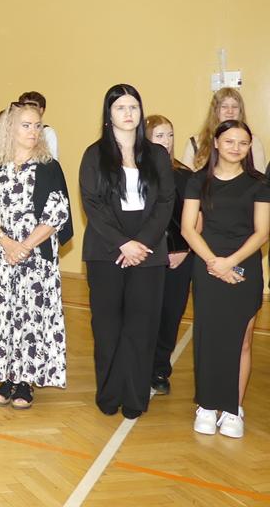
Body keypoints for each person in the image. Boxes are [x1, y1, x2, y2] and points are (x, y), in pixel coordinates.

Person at [79, 84, 174, 419]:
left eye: (133, 106)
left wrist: (142, 243)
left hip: (149, 249)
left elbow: (166, 202)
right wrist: (123, 242)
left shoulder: (157, 155)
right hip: (107, 249)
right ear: (109, 114)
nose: (128, 113)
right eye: (120, 107)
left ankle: (135, 397)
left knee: (141, 327)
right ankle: (109, 394)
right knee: (107, 327)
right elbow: (92, 203)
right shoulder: (94, 154)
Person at [0, 102, 73, 408]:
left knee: (30, 318)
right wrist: (5, 241)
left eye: (37, 125)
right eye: (26, 125)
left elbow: (57, 214)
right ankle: (6, 376)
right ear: (9, 129)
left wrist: (24, 246)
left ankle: (26, 381)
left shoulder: (48, 167)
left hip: (35, 258)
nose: (33, 131)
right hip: (0, 255)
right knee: (2, 314)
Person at [181, 120, 268, 438]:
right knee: (207, 337)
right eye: (229, 141)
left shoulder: (259, 183)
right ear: (216, 143)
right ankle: (206, 405)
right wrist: (214, 263)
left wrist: (230, 262)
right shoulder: (197, 181)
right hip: (208, 266)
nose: (236, 147)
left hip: (245, 267)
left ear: (249, 147)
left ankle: (233, 408)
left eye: (243, 143)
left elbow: (262, 232)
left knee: (241, 341)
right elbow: (188, 228)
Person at [144, 114, 194, 396]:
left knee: (170, 315)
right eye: (159, 135)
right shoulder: (136, 174)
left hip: (179, 258)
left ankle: (160, 369)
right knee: (144, 314)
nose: (166, 141)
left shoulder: (184, 175)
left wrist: (183, 250)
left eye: (170, 135)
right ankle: (139, 365)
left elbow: (195, 218)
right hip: (145, 257)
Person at [182, 88, 265, 172]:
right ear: (215, 111)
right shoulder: (196, 142)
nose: (230, 111)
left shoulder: (254, 142)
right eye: (224, 107)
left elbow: (259, 176)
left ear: (240, 111)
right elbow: (187, 177)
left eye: (234, 107)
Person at [18, 91, 57, 158]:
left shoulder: (47, 132)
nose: (29, 110)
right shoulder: (15, 130)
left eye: (33, 107)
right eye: (25, 107)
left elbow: (52, 158)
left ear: (41, 110)